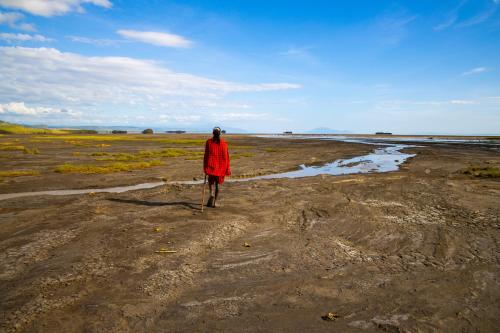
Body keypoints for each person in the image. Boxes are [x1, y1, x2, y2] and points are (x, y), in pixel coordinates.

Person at [203, 127, 231, 208]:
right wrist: (227, 167)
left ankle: (211, 193)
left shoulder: (208, 142)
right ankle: (215, 202)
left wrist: (205, 167)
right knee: (217, 185)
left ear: (213, 133)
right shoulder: (224, 143)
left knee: (211, 182)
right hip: (221, 168)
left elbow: (206, 155)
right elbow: (226, 157)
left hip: (211, 166)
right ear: (220, 133)